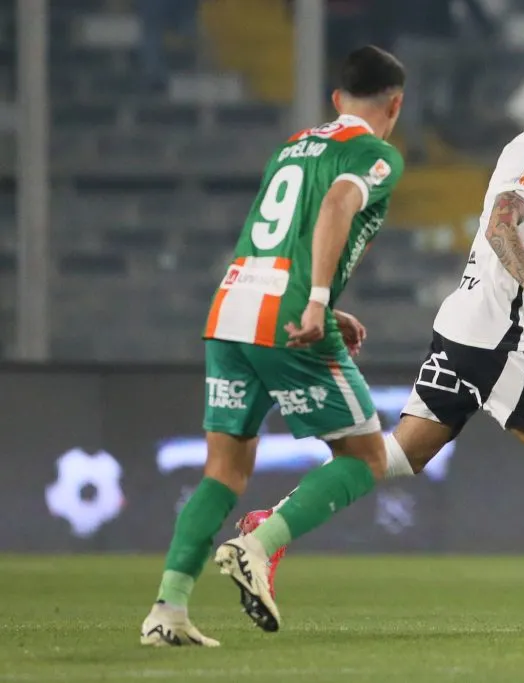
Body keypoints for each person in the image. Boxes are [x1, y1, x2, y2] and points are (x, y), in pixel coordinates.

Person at [235, 40, 524, 634]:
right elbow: (500, 223)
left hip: (469, 328)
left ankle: (271, 527)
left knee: (396, 456)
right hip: (494, 334)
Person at [139, 45, 406, 647]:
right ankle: (255, 546)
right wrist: (316, 301)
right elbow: (339, 203)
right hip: (288, 315)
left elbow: (278, 234)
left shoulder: (291, 146)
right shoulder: (376, 153)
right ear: (396, 104)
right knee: (365, 458)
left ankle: (168, 610)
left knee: (224, 469)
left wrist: (324, 300)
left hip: (233, 304)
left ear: (336, 100)